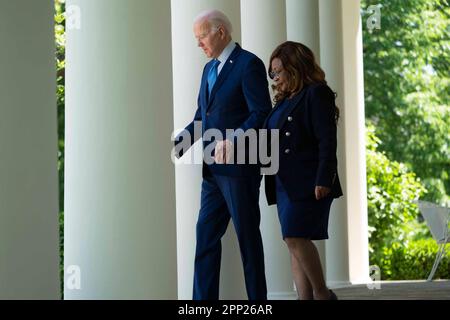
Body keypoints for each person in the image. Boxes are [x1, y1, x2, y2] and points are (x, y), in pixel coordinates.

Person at [174, 9, 271, 300]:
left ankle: (258, 303)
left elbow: (261, 112)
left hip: (240, 170)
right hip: (212, 173)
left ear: (221, 32)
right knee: (205, 240)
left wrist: (234, 138)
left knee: (248, 241)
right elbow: (202, 117)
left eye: (201, 36)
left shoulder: (248, 64)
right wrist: (180, 143)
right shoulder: (208, 70)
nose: (199, 44)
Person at [264, 41, 343, 300]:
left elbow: (327, 140)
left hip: (309, 181)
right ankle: (304, 297)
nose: (274, 78)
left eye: (278, 71)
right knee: (292, 242)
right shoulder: (284, 101)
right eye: (272, 73)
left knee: (296, 237)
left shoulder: (316, 93)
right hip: (283, 183)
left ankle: (322, 294)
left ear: (295, 67)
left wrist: (324, 178)